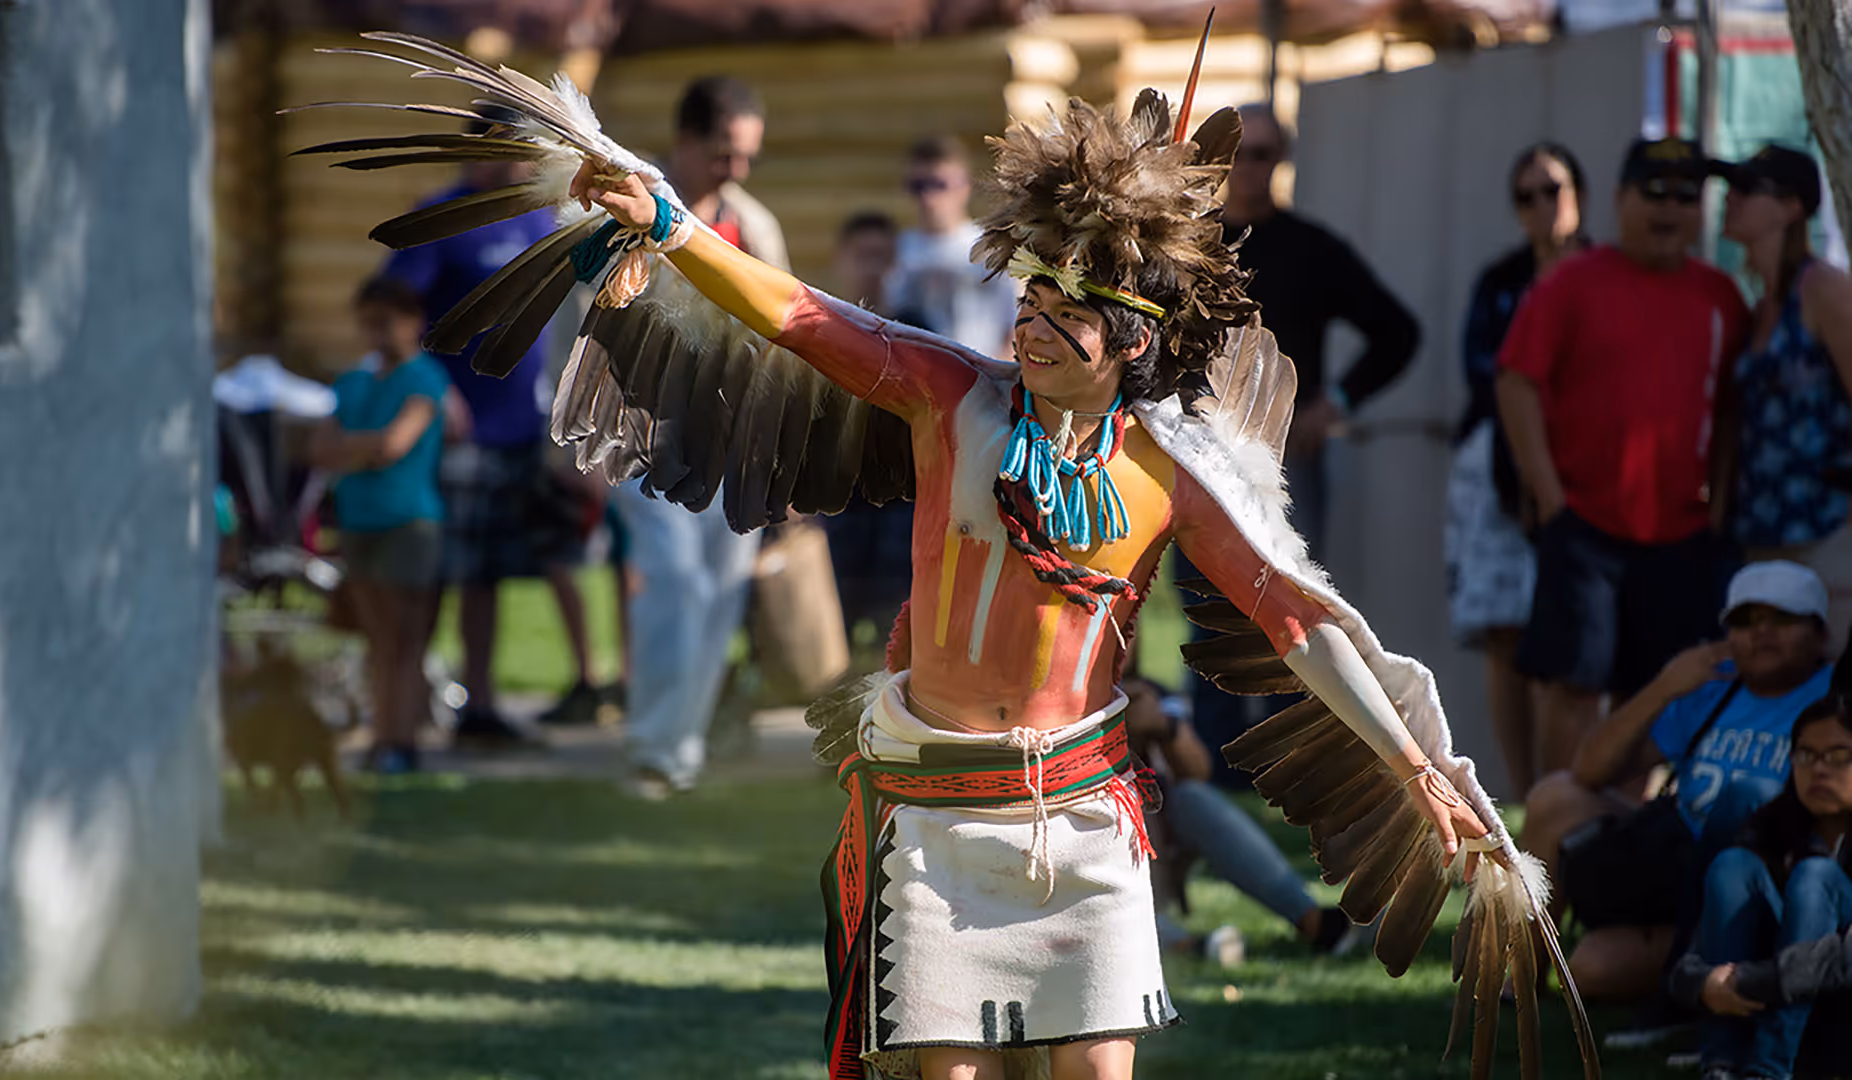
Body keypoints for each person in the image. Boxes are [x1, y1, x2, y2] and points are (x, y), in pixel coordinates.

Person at [311, 44, 1593, 1080]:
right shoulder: (948, 399)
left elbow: (1303, 622)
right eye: (1027, 293)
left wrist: (1417, 764)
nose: (1031, 319)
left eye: (1066, 308)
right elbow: (805, 315)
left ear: (1132, 343)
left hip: (1083, 818)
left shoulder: (1166, 475)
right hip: (929, 814)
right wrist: (667, 221)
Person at [1497, 135, 1752, 781]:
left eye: (1686, 196)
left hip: (1681, 535)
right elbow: (1516, 381)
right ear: (1619, 199)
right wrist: (1552, 500)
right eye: (1654, 192)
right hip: (1585, 527)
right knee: (1573, 691)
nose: (1669, 208)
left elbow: (1727, 411)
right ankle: (1555, 846)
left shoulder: (1721, 295)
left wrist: (1717, 503)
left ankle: (1620, 844)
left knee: (1656, 694)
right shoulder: (1574, 283)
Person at [1181, 103, 1421, 783]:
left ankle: (1293, 773)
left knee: (1290, 614)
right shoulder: (1188, 248)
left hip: (1283, 465)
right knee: (1207, 613)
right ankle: (1216, 771)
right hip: (1198, 460)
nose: (1247, 168)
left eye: (1261, 154)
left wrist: (1334, 404)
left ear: (1280, 161)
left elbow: (1397, 331)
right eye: (1235, 154)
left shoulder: (1312, 249)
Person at [1520, 561, 1834, 1001]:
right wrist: (1665, 686)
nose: (1762, 631)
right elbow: (1589, 770)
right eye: (1745, 621)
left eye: (1782, 618)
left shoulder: (1836, 698)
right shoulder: (1712, 688)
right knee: (1556, 796)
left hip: (1764, 884)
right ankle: (1514, 982)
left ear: (1821, 633)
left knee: (1591, 970)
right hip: (1676, 868)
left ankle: (1711, 986)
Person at [384, 139, 609, 743]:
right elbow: (395, 312)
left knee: (489, 576)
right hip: (456, 433)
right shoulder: (442, 219)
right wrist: (433, 390)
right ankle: (405, 713)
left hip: (522, 433)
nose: (519, 169)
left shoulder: (543, 220)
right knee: (433, 575)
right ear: (477, 154)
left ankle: (477, 706)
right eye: (507, 156)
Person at [610, 74, 784, 799]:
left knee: (720, 591)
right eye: (722, 153)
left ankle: (681, 745)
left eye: (746, 156)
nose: (735, 169)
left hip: (734, 439)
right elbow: (574, 323)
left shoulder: (753, 224)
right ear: (684, 141)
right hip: (640, 430)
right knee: (673, 584)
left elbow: (783, 333)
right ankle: (655, 748)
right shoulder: (625, 207)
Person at [1444, 142, 1590, 800]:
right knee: (1505, 633)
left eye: (1552, 190)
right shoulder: (1502, 280)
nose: (1541, 206)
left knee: (1570, 636)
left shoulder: (1601, 275)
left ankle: (1568, 783)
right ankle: (1526, 789)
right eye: (1526, 196)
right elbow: (1486, 373)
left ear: (1580, 196)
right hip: (1498, 473)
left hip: (1585, 472)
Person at [1672, 695, 1852, 1080]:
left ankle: (1765, 1073)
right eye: (1806, 754)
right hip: (1766, 1003)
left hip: (1839, 1024)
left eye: (1838, 756)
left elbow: (1845, 961)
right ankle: (1720, 1066)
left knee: (1815, 876)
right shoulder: (1773, 825)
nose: (1819, 769)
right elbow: (1688, 964)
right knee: (1731, 866)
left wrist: (1748, 980)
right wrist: (1704, 983)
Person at [312, 278, 450, 774]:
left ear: (412, 322)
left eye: (384, 321)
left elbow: (395, 444)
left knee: (403, 638)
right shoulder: (352, 381)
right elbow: (320, 448)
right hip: (359, 520)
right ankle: (381, 738)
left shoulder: (425, 379)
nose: (374, 332)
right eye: (367, 321)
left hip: (408, 520)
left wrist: (357, 446)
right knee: (375, 639)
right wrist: (365, 448)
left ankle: (401, 738)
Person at [1715, 145, 1852, 646]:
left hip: (1828, 536)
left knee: (1833, 692)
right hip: (1762, 538)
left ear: (1792, 206)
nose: (1732, 199)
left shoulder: (1824, 289)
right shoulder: (1758, 305)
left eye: (1749, 189)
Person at [1121, 681, 1364, 959]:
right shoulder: (1071, 698)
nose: (1124, 642)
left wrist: (1162, 725)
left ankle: (1314, 921)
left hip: (1159, 846)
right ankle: (1186, 945)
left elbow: (1197, 771)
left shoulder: (1150, 693)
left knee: (1192, 798)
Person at [822, 211, 916, 650]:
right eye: (863, 256)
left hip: (901, 506)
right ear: (841, 259)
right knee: (830, 625)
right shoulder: (818, 328)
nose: (872, 268)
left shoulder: (920, 330)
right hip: (834, 502)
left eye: (882, 257)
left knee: (893, 630)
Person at [884, 135, 1020, 360]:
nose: (928, 197)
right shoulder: (896, 250)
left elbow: (1014, 323)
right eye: (918, 186)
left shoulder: (991, 247)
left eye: (939, 185)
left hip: (985, 375)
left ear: (964, 186)